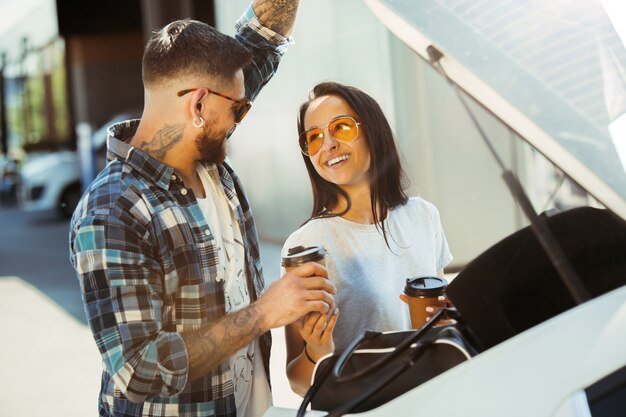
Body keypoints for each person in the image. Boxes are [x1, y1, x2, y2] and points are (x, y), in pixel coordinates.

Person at [69, 2, 337, 417]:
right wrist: (264, 313)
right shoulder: (111, 211)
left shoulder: (205, 152)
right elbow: (138, 370)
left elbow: (262, 41)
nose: (240, 119)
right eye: (239, 109)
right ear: (197, 106)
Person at [281, 82, 453, 395]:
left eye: (341, 127)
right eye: (314, 137)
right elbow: (297, 381)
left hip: (431, 395)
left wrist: (447, 322)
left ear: (373, 131)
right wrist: (317, 349)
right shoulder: (306, 246)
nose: (328, 144)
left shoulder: (423, 216)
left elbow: (438, 317)